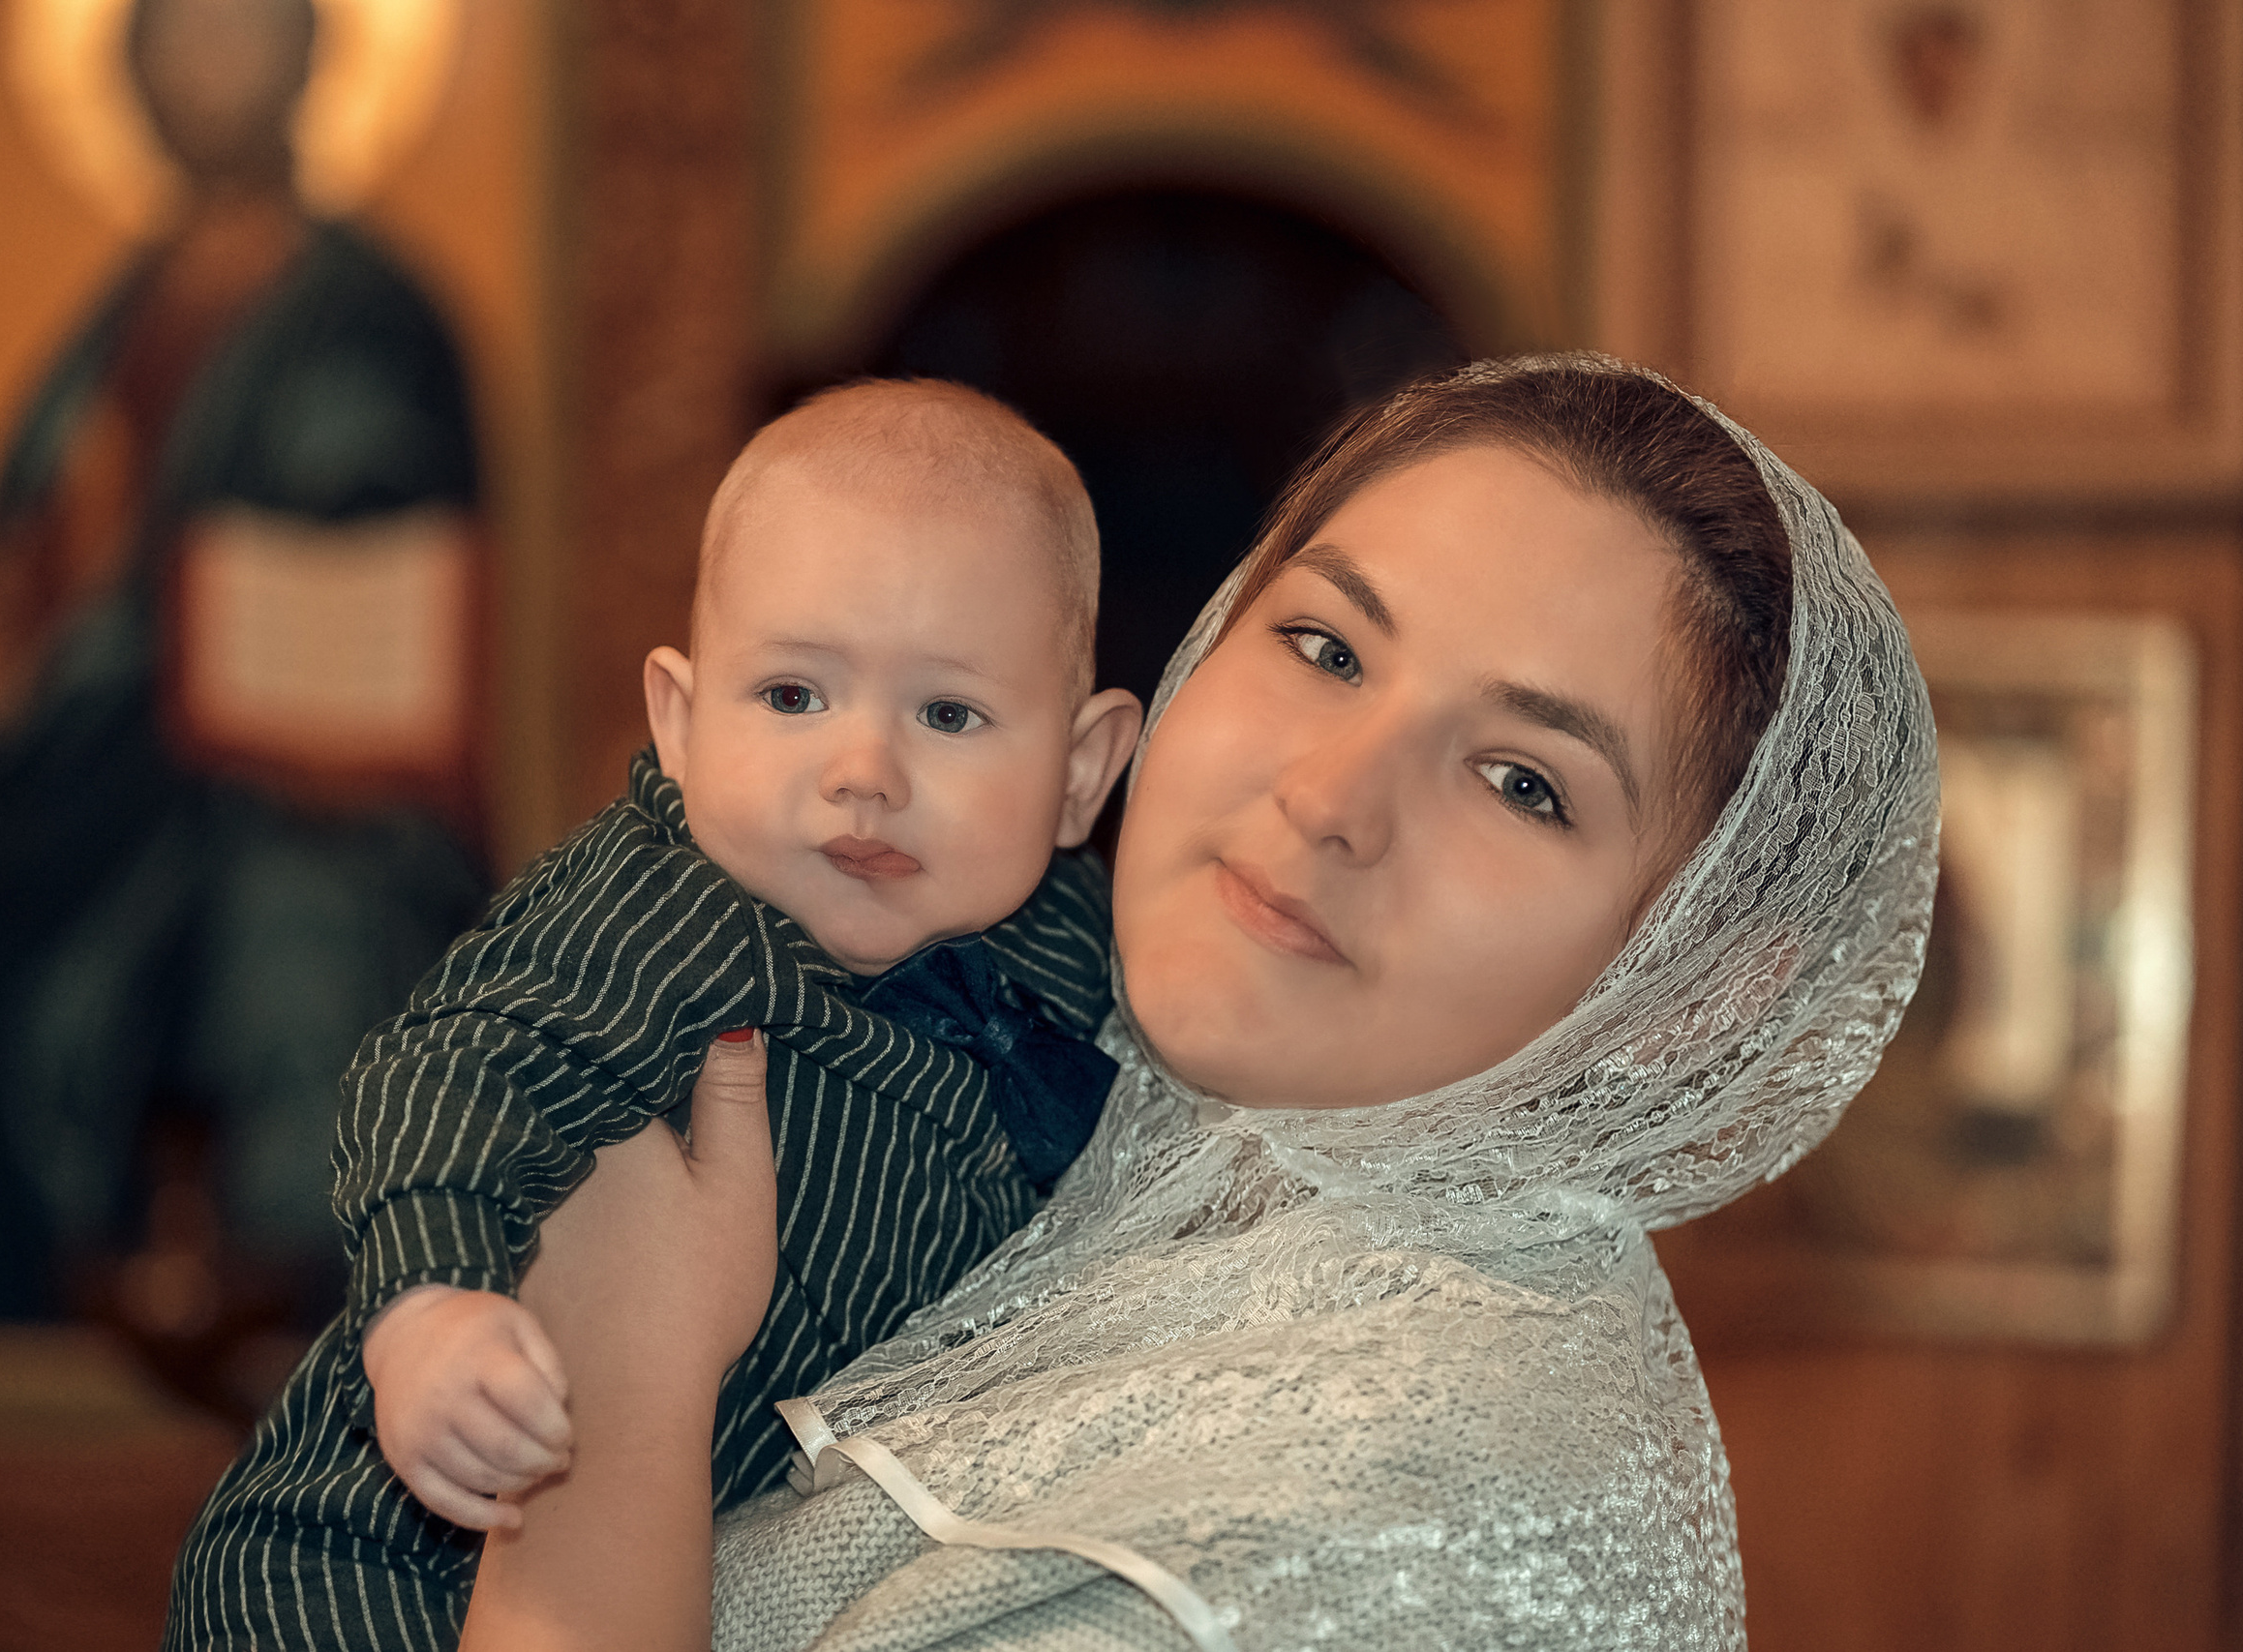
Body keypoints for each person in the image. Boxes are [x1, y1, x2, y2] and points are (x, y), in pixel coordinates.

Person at [458, 353, 1941, 1650]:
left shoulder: (1383, 1525)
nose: (1330, 798)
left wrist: (611, 1397)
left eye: (1521, 782)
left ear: (1695, 992)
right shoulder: (1011, 1032)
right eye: (1326, 647)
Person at [162, 380, 1146, 1646]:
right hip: (383, 1554)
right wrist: (430, 1313)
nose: (863, 774)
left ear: (1079, 774)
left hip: (695, 1553)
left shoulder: (1073, 944)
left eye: (947, 714)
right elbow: (455, 1075)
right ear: (679, 725)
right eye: (792, 696)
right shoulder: (664, 910)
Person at [0, 0, 488, 1365]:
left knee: (295, 939)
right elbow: (32, 565)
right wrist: (51, 620)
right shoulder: (117, 319)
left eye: (239, 26)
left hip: (306, 793)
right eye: (176, 31)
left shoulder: (364, 306)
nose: (207, 63)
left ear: (312, 54)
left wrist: (197, 584)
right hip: (95, 786)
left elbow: (387, 519)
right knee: (27, 1005)